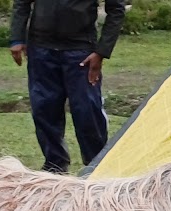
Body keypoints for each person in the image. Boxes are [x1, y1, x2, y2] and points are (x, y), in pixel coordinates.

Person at [9, 0, 126, 174]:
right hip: (41, 49)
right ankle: (55, 167)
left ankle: (97, 169)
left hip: (81, 50)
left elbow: (116, 9)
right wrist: (16, 38)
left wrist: (102, 51)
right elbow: (21, 2)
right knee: (44, 109)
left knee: (87, 112)